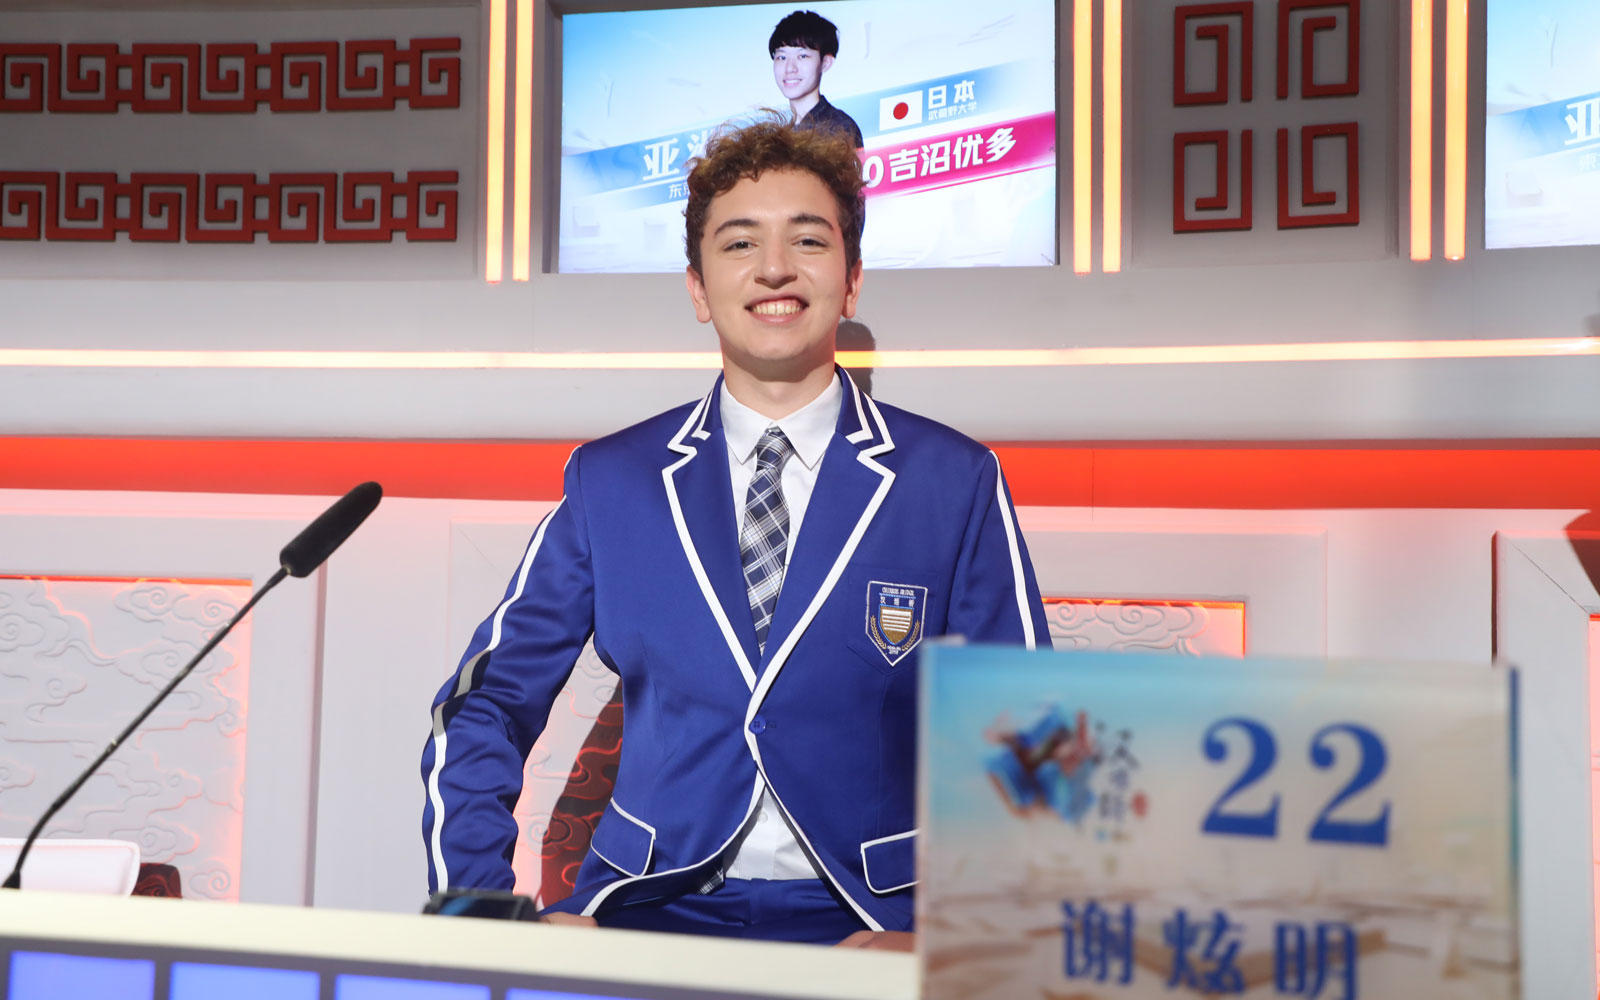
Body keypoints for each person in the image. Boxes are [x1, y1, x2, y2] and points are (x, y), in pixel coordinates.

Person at [421, 116, 1046, 948]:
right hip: (648, 909)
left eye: (808, 241)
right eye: (740, 243)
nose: (774, 268)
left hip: (871, 921)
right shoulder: (612, 480)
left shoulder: (952, 479)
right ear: (697, 287)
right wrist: (479, 915)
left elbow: (1029, 735)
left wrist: (956, 940)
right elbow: (487, 703)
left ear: (852, 281)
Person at [770, 10, 863, 149]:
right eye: (782, 57)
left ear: (825, 63)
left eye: (802, 56)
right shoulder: (781, 136)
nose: (789, 68)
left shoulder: (837, 129)